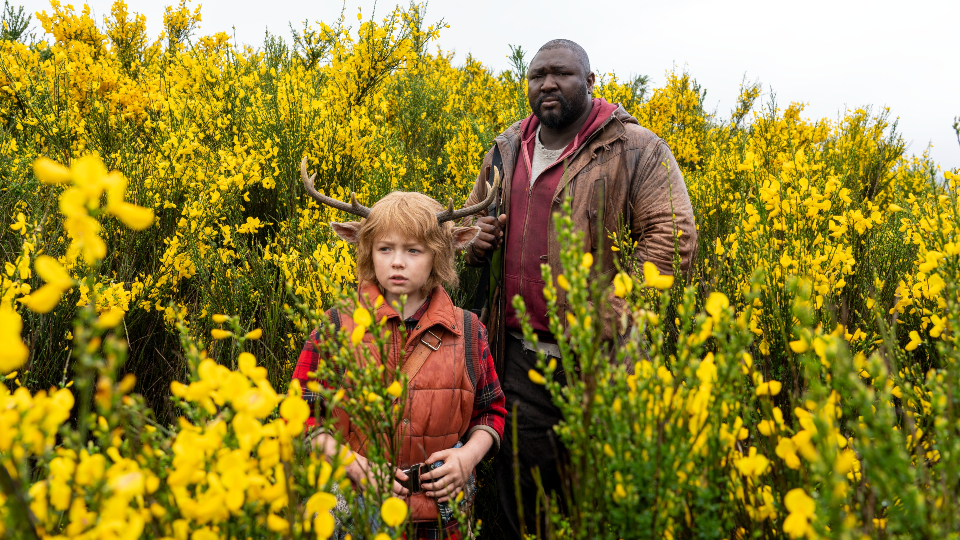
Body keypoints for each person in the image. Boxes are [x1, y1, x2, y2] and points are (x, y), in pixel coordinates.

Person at [463, 39, 698, 538]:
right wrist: (474, 241)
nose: (547, 83)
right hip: (519, 358)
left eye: (562, 73)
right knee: (523, 502)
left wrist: (613, 309)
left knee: (595, 497)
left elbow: (673, 236)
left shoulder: (636, 148)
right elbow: (468, 223)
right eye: (537, 75)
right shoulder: (506, 149)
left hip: (601, 359)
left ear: (591, 82)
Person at [291, 184, 508, 540]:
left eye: (414, 250)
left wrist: (468, 458)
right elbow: (301, 416)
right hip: (354, 514)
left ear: (441, 253)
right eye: (385, 248)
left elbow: (491, 412)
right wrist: (352, 464)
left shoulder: (469, 332)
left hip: (440, 519)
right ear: (365, 249)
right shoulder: (334, 327)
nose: (396, 262)